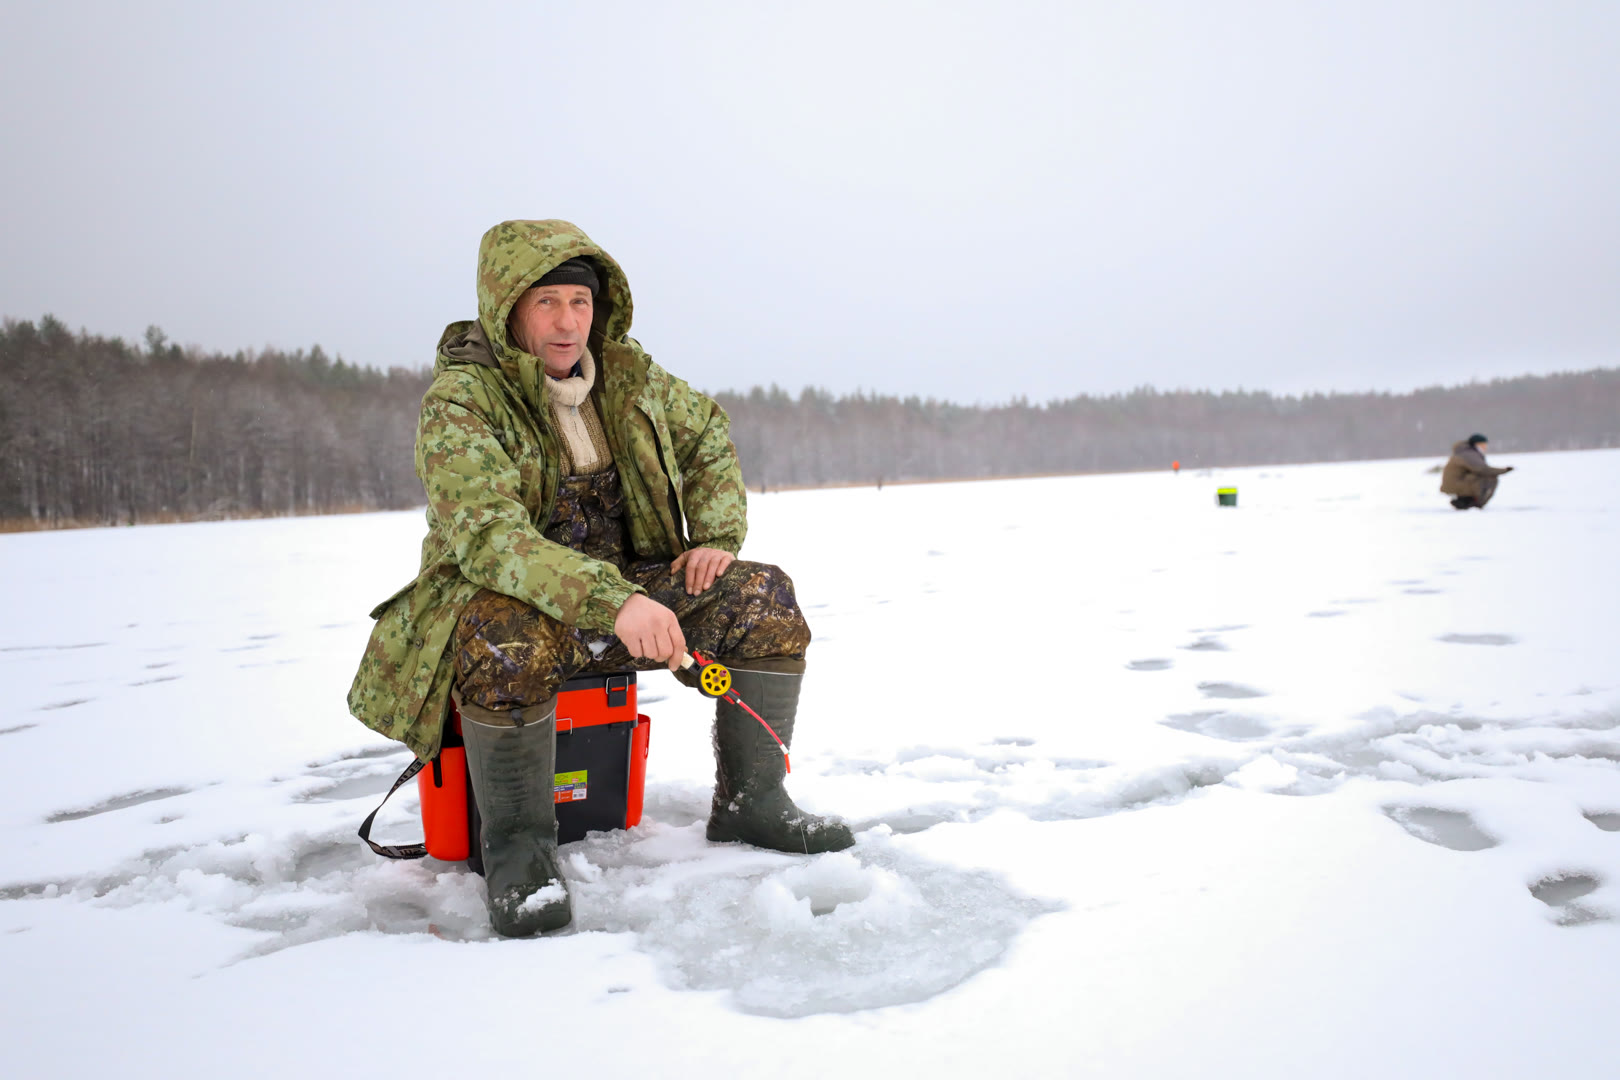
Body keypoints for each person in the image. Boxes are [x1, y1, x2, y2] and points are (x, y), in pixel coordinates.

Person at [347, 220, 853, 937]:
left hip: (628, 591)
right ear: (508, 307)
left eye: (579, 303)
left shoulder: (630, 378)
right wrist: (616, 603)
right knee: (502, 638)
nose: (566, 322)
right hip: (510, 603)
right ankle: (520, 855)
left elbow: (707, 430)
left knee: (762, 598)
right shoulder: (462, 402)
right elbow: (490, 538)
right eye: (547, 302)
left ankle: (753, 803)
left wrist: (713, 536)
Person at [1440, 433, 1513, 509]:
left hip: (1455, 484)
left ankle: (1465, 500)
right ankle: (1475, 503)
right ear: (1475, 444)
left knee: (1480, 477)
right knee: (1489, 478)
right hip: (1456, 484)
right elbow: (1482, 469)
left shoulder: (1465, 452)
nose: (1485, 447)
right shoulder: (1468, 454)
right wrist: (1504, 470)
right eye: (1482, 444)